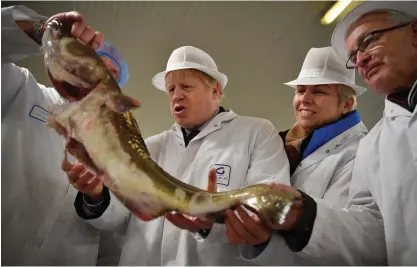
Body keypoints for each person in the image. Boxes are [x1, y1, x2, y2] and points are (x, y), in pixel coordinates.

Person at [69, 45, 291, 265]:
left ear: (215, 90)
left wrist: (213, 223)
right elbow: (120, 217)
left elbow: (268, 207)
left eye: (186, 86)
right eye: (171, 89)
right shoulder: (150, 147)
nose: (177, 96)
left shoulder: (256, 133)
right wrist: (97, 195)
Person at [256, 2, 417, 265]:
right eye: (354, 55)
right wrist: (303, 218)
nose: (362, 58)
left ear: (348, 103)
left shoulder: (358, 150)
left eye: (371, 40)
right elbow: (374, 234)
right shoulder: (374, 146)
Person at [1, 5, 129, 265]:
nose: (99, 76)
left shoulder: (124, 149)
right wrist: (45, 32)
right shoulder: (22, 90)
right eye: (92, 62)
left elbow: (120, 222)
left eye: (111, 74)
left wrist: (96, 197)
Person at [222, 46, 368, 265]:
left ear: (347, 103)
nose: (305, 99)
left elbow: (336, 240)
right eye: (300, 90)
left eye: (319, 91)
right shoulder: (279, 145)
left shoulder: (359, 153)